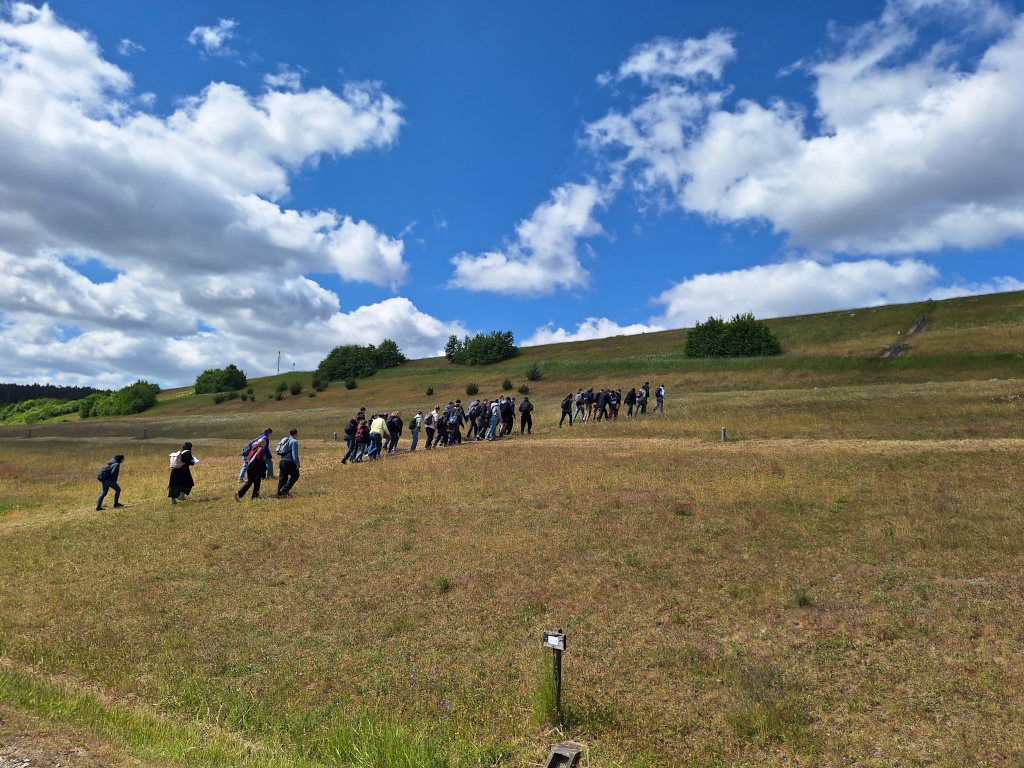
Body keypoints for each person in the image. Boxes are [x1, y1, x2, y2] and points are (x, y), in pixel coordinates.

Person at [236, 433, 269, 500]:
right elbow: (259, 458)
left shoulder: (254, 448)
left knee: (254, 481)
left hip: (250, 466)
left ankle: (255, 496)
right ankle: (240, 493)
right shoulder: (261, 449)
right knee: (253, 481)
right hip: (255, 468)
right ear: (262, 443)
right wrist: (263, 466)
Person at [276, 428, 300, 497]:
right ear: (296, 434)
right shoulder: (294, 442)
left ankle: (280, 493)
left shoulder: (284, 440)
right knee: (295, 475)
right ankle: (284, 489)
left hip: (282, 461)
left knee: (283, 478)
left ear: (289, 434)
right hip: (289, 462)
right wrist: (297, 463)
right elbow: (294, 454)